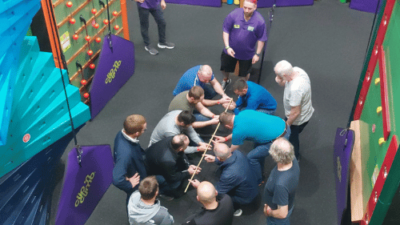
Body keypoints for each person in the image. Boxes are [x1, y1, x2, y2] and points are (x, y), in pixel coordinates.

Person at [216, 110, 290, 184]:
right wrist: (225, 138)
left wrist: (218, 154)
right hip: (284, 125)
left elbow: (230, 150)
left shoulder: (238, 131)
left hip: (279, 140)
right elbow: (239, 133)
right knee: (257, 147)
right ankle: (260, 163)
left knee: (251, 157)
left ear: (227, 126)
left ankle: (259, 180)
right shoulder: (244, 112)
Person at [190, 143, 258, 217]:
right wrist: (216, 159)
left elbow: (217, 192)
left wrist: (200, 186)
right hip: (252, 183)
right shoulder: (237, 153)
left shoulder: (229, 175)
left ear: (219, 157)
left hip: (246, 196)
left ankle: (235, 209)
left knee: (223, 198)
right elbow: (228, 158)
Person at [220, 0, 267, 87]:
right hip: (230, 50)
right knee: (224, 68)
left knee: (245, 74)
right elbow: (226, 30)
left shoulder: (260, 21)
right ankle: (226, 80)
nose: (246, 10)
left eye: (249, 8)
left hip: (247, 54)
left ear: (255, 7)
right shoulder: (234, 14)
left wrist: (257, 54)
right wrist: (227, 47)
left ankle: (242, 86)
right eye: (245, 7)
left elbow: (261, 39)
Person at [274, 60, 314, 160]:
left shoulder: (296, 89)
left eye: (278, 76)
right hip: (305, 112)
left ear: (284, 75)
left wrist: (287, 126)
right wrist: (280, 81)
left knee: (292, 138)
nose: (277, 78)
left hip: (297, 120)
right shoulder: (297, 70)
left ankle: (294, 158)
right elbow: (285, 82)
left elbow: (295, 112)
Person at [264, 138, 300, 224]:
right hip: (288, 201)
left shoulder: (280, 185)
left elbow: (282, 213)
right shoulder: (292, 158)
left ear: (275, 157)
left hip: (277, 216)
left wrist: (269, 212)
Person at [113, 114, 148, 202]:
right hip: (135, 178)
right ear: (136, 133)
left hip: (135, 164)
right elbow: (117, 179)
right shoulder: (126, 153)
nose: (144, 131)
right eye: (144, 130)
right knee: (134, 197)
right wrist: (129, 184)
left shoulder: (121, 133)